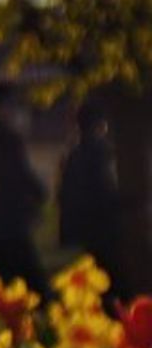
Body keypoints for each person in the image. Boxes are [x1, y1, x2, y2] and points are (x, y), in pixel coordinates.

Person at [0, 81, 49, 294]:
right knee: (35, 289)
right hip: (9, 227)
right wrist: (39, 195)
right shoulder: (7, 141)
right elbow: (20, 176)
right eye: (10, 106)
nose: (13, 111)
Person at [59, 101, 123, 291]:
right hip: (104, 225)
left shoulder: (73, 154)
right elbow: (108, 188)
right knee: (112, 275)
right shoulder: (102, 152)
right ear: (100, 124)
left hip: (83, 227)